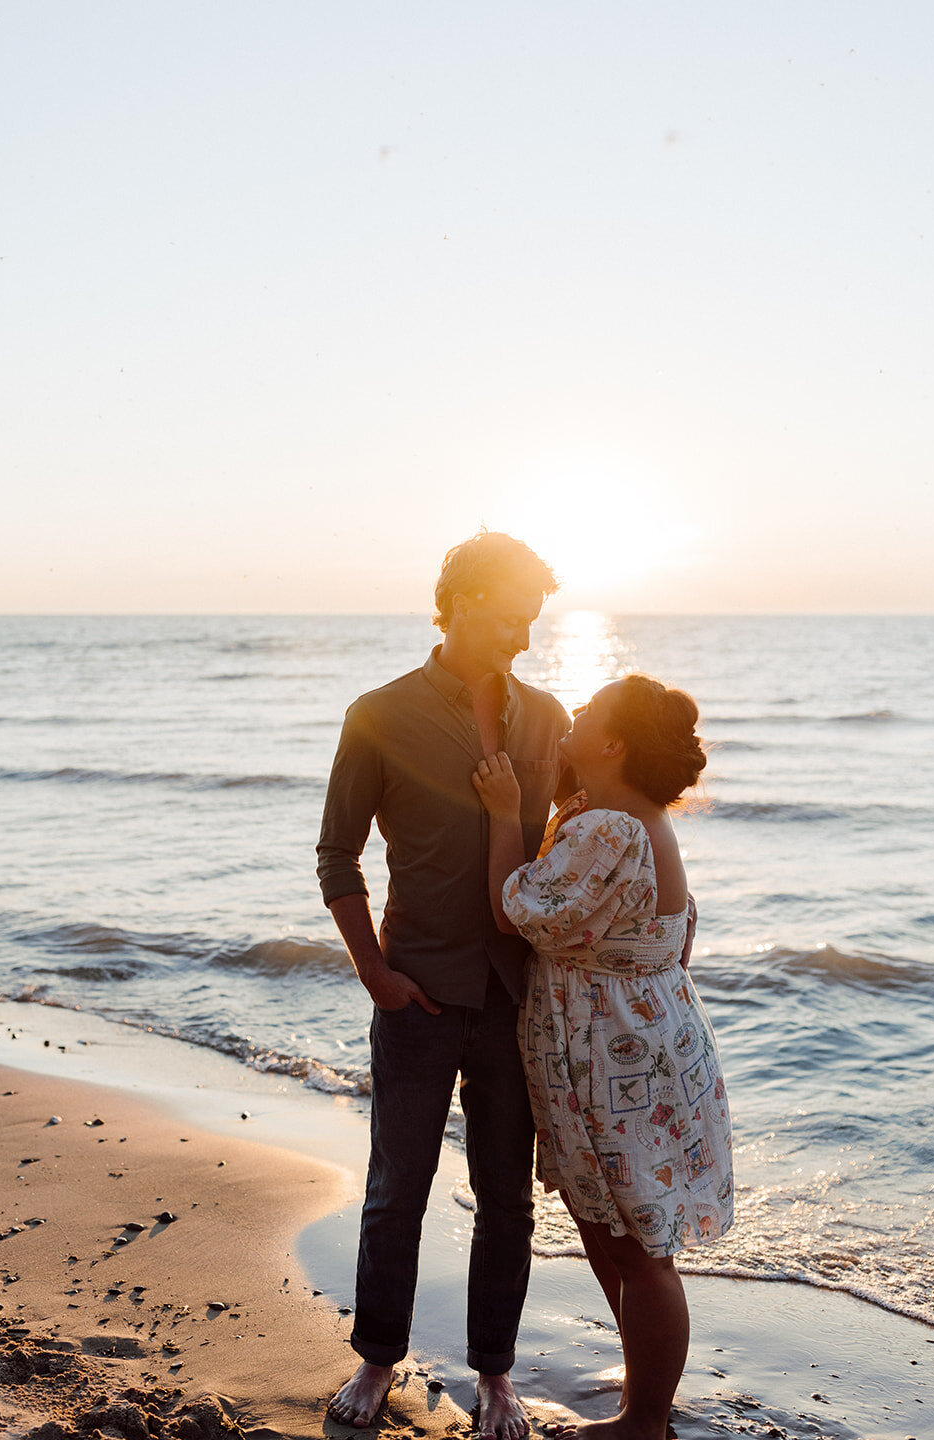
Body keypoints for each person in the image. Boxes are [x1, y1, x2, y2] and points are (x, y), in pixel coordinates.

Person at [317, 531, 572, 1437]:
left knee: (506, 1198)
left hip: (517, 1002)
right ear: (461, 600)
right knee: (398, 1186)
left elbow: (574, 848)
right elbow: (336, 854)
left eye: (533, 619)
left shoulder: (549, 720)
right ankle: (377, 1358)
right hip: (416, 995)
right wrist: (374, 972)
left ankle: (495, 1377)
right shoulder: (378, 713)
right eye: (510, 616)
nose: (524, 635)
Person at [472, 675, 732, 1440]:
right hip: (646, 1046)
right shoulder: (619, 816)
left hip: (616, 1062)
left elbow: (514, 908)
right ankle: (644, 1387)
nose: (571, 716)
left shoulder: (608, 830)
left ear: (613, 743)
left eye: (585, 715)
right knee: (610, 1231)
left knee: (637, 1246)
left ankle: (644, 1421)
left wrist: (498, 816)